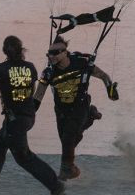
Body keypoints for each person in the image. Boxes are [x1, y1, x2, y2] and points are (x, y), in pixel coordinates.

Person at [0, 35, 67, 195]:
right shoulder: (30, 67)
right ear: (21, 50)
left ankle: (56, 186)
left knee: (24, 157)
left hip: (15, 120)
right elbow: (30, 92)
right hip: (28, 115)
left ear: (5, 51)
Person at [33, 36, 118, 181]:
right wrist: (27, 113)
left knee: (68, 138)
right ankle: (91, 116)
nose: (51, 56)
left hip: (80, 106)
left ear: (65, 52)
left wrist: (111, 92)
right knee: (70, 141)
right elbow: (38, 96)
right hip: (61, 111)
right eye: (49, 53)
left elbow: (104, 76)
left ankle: (65, 171)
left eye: (55, 52)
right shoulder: (48, 72)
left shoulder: (81, 63)